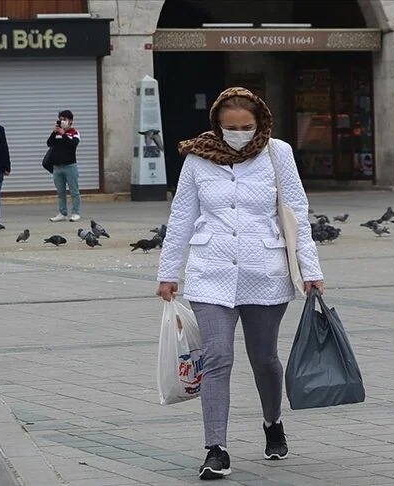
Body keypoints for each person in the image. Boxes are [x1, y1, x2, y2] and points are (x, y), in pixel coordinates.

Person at [155, 87, 324, 480]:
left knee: (264, 359)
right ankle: (216, 448)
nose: (239, 133)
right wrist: (168, 273)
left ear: (260, 122)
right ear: (217, 124)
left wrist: (312, 270)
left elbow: (297, 213)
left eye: (246, 127)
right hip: (209, 272)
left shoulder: (277, 153)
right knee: (217, 358)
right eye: (230, 128)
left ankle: (272, 422)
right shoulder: (198, 157)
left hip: (264, 272)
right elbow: (181, 216)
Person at [47, 110, 82, 221]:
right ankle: (62, 212)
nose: (62, 121)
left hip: (70, 166)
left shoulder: (74, 132)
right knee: (60, 192)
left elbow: (72, 145)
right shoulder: (57, 133)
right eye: (61, 119)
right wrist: (54, 132)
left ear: (70, 121)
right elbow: (49, 143)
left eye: (65, 119)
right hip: (57, 167)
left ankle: (76, 212)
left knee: (74, 191)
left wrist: (64, 134)